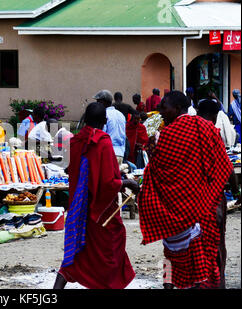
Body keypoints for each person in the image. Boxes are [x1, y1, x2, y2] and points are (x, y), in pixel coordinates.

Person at [138, 91, 234, 289]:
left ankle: (172, 285)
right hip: (204, 207)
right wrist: (215, 197)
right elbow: (224, 166)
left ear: (178, 108)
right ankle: (215, 284)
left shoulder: (166, 136)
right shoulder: (205, 128)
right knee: (207, 253)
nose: (161, 111)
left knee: (170, 255)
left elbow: (154, 173)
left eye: (164, 107)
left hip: (173, 211)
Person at [53, 102, 139, 289]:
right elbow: (108, 182)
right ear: (104, 121)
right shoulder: (103, 141)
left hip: (78, 208)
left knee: (77, 253)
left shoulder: (75, 141)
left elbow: (72, 170)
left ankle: (57, 287)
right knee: (110, 249)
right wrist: (127, 183)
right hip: (100, 209)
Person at [197, 98, 241, 289]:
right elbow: (228, 168)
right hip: (211, 201)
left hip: (187, 201)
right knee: (215, 244)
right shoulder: (211, 134)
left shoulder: (184, 132)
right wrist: (236, 190)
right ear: (215, 117)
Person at [94, 90, 126, 165]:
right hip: (120, 153)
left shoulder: (104, 114)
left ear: (103, 102)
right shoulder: (120, 115)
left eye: (98, 101)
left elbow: (101, 134)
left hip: (108, 153)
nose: (97, 104)